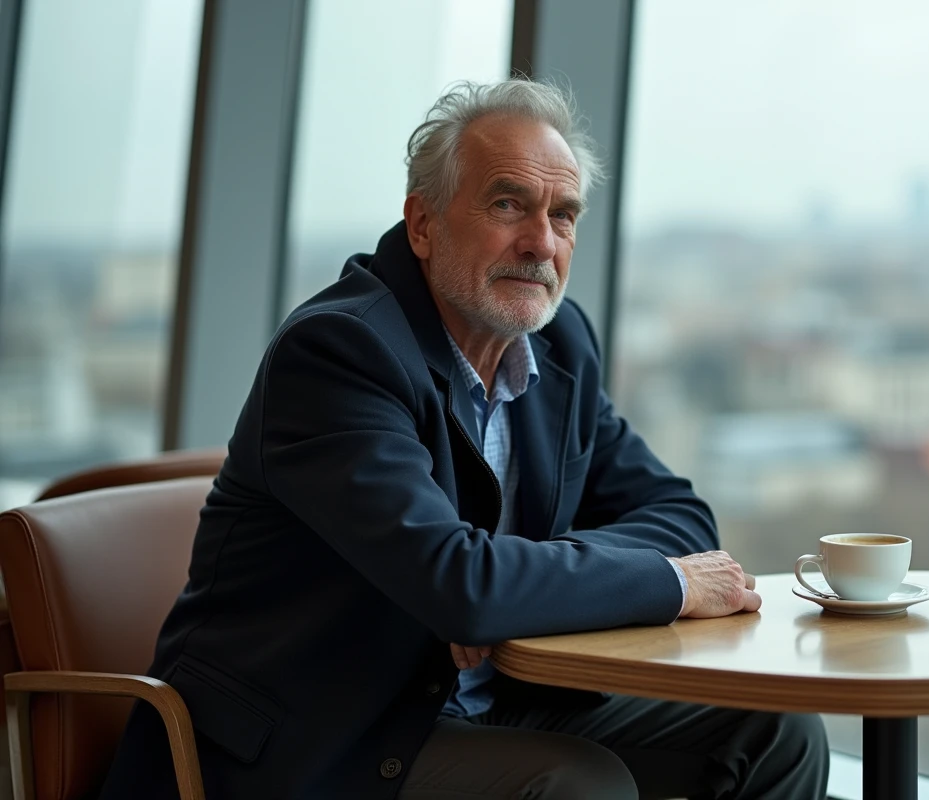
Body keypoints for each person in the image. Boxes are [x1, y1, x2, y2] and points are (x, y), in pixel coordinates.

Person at [98, 79, 828, 800]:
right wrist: (646, 583)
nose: (542, 243)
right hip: (319, 736)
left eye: (564, 215)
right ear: (423, 224)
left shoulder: (560, 342)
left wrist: (516, 584)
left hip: (489, 699)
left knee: (775, 730)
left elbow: (680, 517)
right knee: (579, 783)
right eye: (509, 203)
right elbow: (462, 585)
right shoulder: (339, 355)